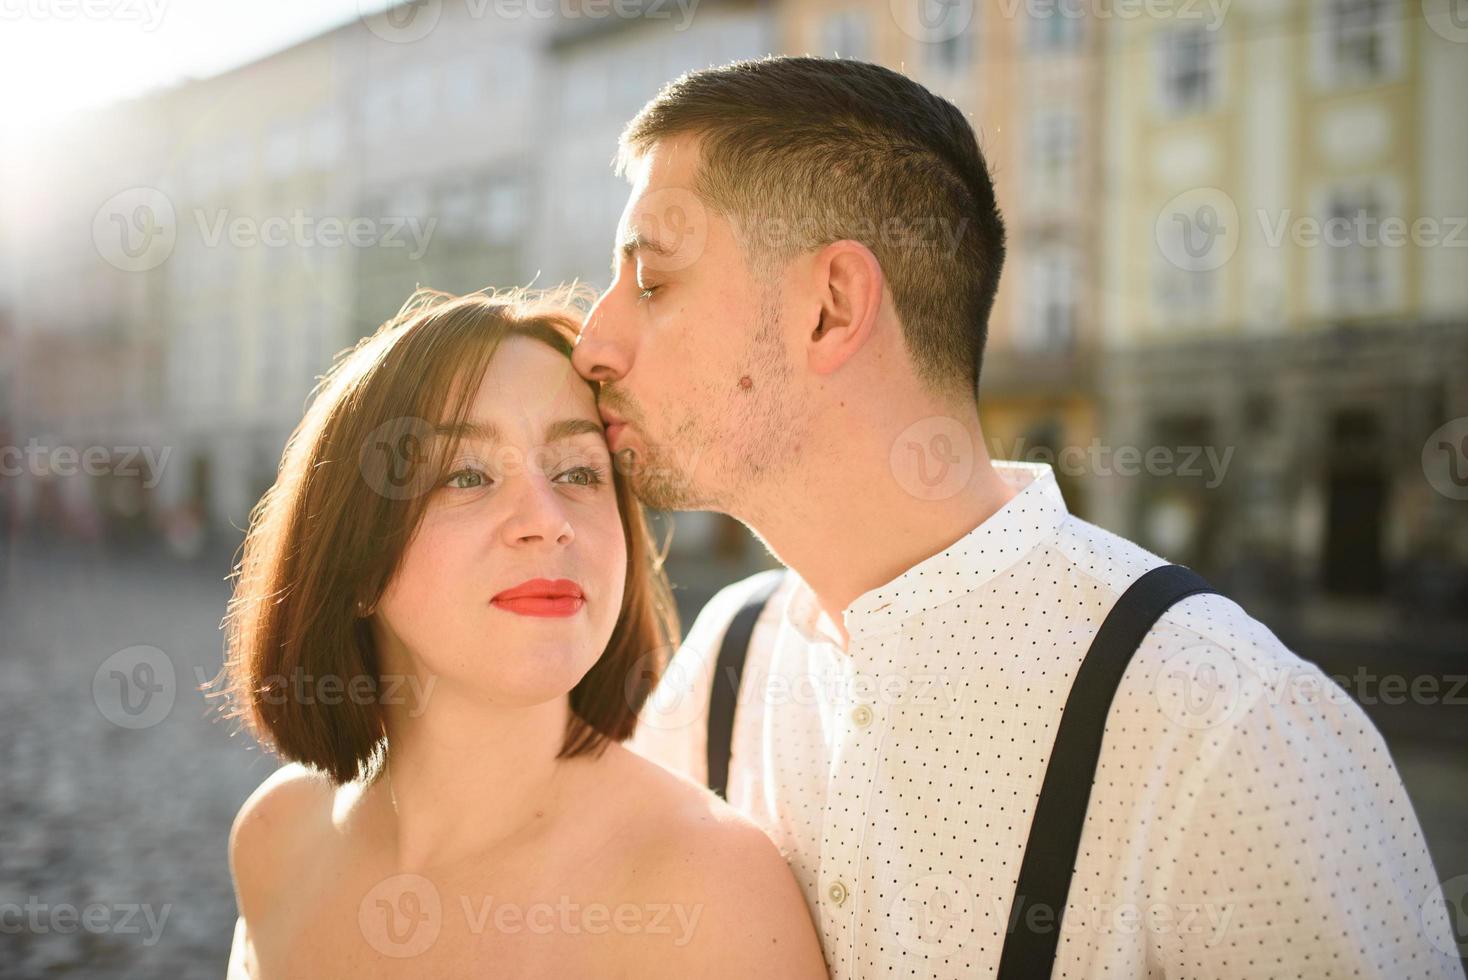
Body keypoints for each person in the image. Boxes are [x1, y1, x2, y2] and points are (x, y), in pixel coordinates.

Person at [571, 56, 1464, 977]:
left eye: (651, 282)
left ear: (831, 309)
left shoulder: (1231, 729)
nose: (593, 341)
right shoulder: (728, 659)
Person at [219, 286, 827, 978]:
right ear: (353, 559)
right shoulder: (274, 839)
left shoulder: (713, 893)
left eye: (577, 472)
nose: (548, 518)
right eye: (467, 475)